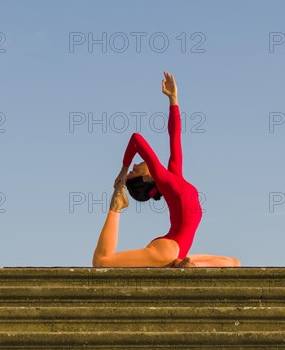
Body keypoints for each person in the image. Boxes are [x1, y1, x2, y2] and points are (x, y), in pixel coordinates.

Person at [92, 71, 241, 268]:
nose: (136, 165)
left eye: (133, 167)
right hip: (168, 249)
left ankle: (183, 266)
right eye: (135, 171)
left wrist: (173, 99)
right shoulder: (163, 178)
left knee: (233, 263)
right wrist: (123, 169)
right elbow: (137, 139)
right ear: (146, 179)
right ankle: (116, 208)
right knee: (102, 262)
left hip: (178, 251)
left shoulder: (174, 174)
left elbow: (175, 136)